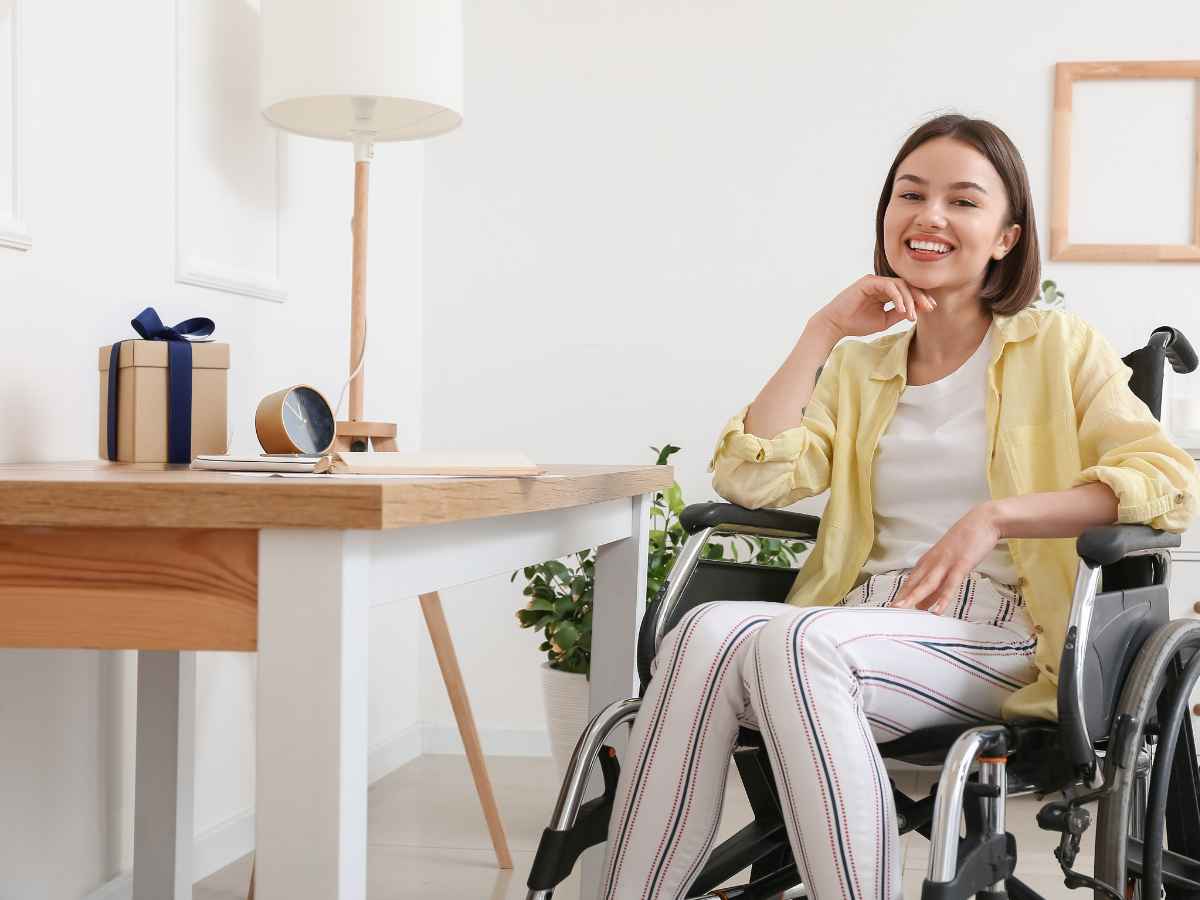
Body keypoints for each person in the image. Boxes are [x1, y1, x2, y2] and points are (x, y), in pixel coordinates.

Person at [597, 113, 1200, 900]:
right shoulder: (859, 368)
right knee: (701, 631)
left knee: (797, 643)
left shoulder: (1057, 345)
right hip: (858, 619)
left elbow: (1165, 481)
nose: (930, 216)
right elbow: (751, 478)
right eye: (910, 195)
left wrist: (996, 516)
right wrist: (821, 333)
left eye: (963, 201)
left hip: (1002, 628)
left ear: (1006, 237)